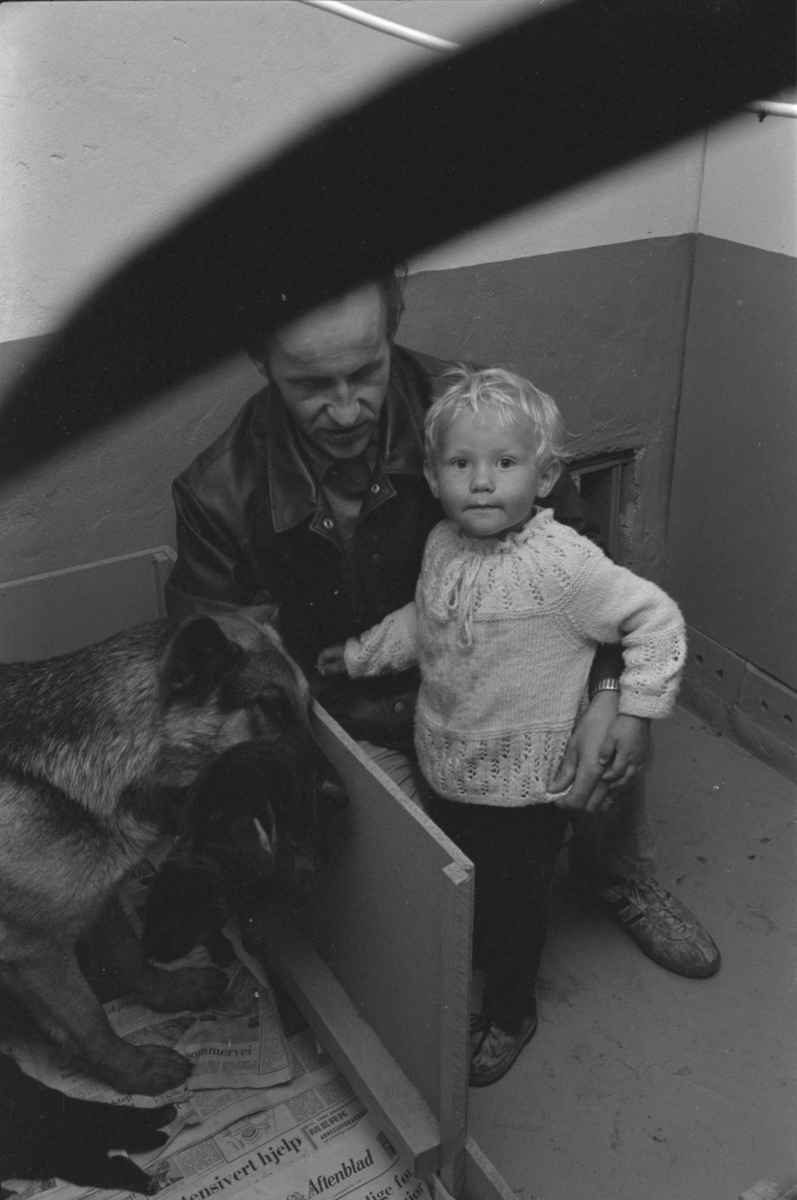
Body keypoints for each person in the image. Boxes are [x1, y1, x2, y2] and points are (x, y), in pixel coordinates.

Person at [165, 267, 720, 982]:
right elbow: (224, 688)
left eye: (365, 372)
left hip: (512, 679)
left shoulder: (471, 416)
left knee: (606, 730)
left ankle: (611, 873)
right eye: (309, 385)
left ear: (393, 328)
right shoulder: (216, 495)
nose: (344, 410)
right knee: (419, 907)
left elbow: (593, 572)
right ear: (260, 362)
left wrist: (612, 698)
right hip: (353, 720)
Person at [315, 365, 687, 1085]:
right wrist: (362, 655)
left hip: (527, 792)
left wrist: (635, 708)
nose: (481, 482)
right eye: (461, 464)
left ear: (545, 477)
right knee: (471, 886)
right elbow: (427, 617)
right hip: (446, 768)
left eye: (505, 463)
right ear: (432, 475)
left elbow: (655, 621)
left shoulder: (563, 566)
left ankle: (512, 1012)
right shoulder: (442, 545)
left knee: (516, 913)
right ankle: (481, 944)